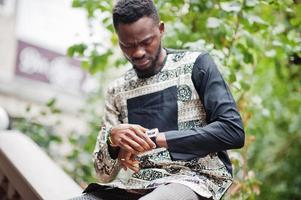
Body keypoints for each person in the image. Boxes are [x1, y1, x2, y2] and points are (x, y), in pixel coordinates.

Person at [73, 0, 245, 199]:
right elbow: (103, 174)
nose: (137, 52)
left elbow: (232, 131)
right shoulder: (117, 90)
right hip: (136, 186)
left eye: (146, 42)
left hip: (194, 181)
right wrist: (112, 141)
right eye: (127, 45)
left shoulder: (196, 65)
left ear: (161, 29)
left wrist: (157, 139)